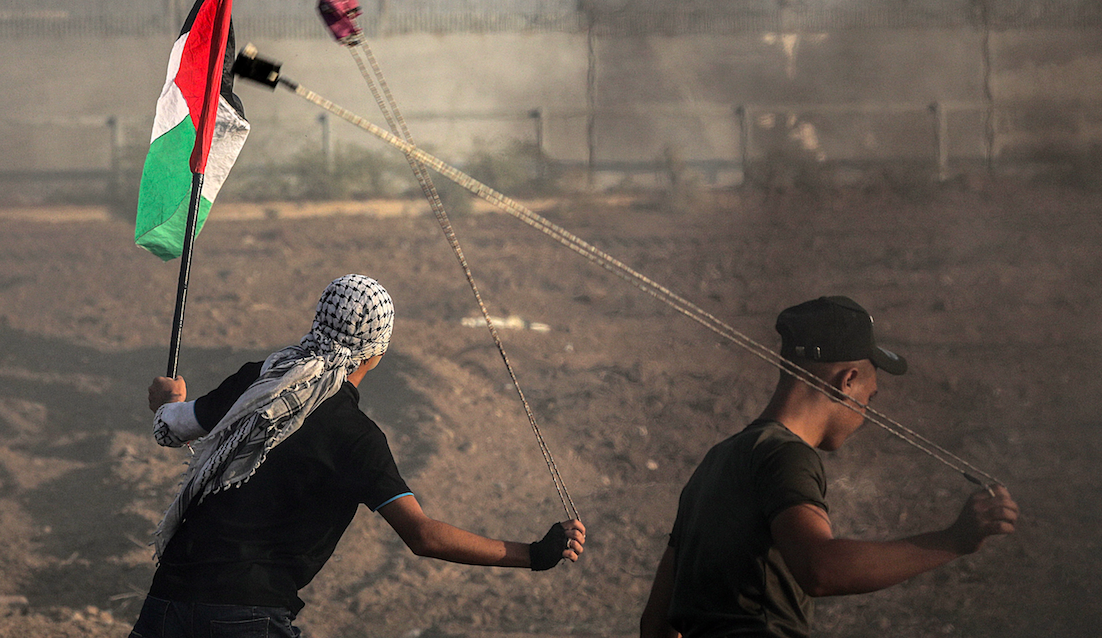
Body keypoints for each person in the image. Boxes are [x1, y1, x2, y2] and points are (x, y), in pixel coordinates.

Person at [130, 274, 585, 637]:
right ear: (379, 350)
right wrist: (534, 554)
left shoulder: (258, 380)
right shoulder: (355, 438)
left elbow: (172, 426)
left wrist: (169, 400)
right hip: (249, 614)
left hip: (166, 601)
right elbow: (423, 536)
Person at [639, 295, 1019, 638]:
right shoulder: (785, 455)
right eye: (869, 398)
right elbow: (819, 568)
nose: (866, 414)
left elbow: (656, 624)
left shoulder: (714, 462)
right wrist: (955, 539)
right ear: (847, 381)